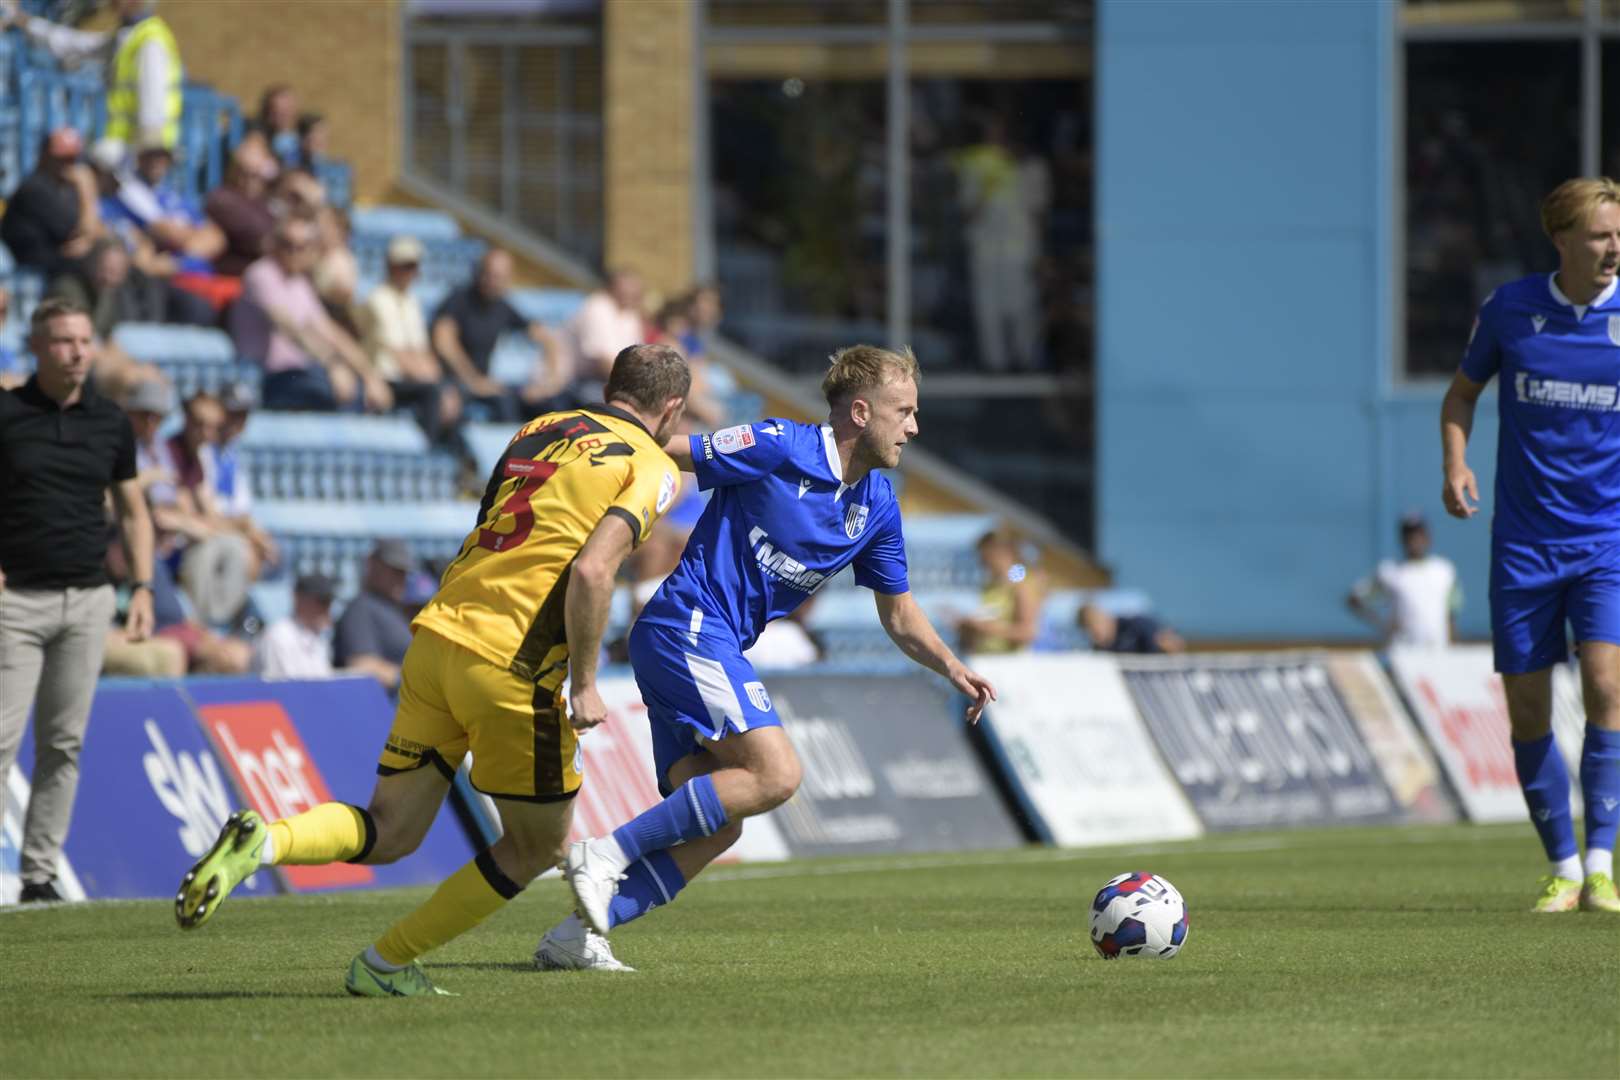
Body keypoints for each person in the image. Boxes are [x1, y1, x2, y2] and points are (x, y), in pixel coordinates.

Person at [173, 344, 690, 998]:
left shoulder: (539, 428)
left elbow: (488, 525)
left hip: (437, 638)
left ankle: (266, 840)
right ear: (670, 410)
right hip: (512, 664)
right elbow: (593, 569)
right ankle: (385, 963)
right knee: (535, 849)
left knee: (390, 831)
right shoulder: (651, 464)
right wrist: (584, 681)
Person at [542, 344, 996, 972]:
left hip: (708, 643)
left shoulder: (878, 506)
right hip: (687, 626)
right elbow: (670, 449)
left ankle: (576, 936)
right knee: (777, 774)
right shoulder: (780, 445)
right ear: (860, 413)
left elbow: (898, 613)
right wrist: (576, 440)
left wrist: (952, 666)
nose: (914, 427)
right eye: (905, 411)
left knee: (720, 823)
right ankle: (606, 854)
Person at [1440, 176, 1620, 915]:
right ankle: (1564, 867)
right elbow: (1461, 394)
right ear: (1563, 241)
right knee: (1527, 711)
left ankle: (1605, 864)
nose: (1615, 248)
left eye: (1619, 235)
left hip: (1605, 540)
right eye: (1601, 236)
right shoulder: (1512, 309)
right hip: (1522, 545)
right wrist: (1455, 462)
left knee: (1608, 688)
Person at [0, 298, 156, 903]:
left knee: (63, 745)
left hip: (88, 600)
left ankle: (39, 876)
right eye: (64, 341)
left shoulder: (110, 421)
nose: (78, 351)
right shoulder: (7, 414)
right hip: (17, 602)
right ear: (36, 347)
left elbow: (133, 511)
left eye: (85, 340)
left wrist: (140, 586)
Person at [230, 218, 391, 413]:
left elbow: (331, 333)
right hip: (266, 376)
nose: (293, 252)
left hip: (300, 373)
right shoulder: (261, 274)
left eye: (301, 246)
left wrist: (370, 376)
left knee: (362, 393)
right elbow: (286, 325)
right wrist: (333, 363)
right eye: (287, 244)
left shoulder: (300, 284)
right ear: (275, 243)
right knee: (334, 392)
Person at [3, 0, 181, 153]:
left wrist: (144, 152)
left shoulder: (149, 40)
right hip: (129, 148)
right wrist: (23, 21)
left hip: (142, 152)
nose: (112, 4)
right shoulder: (127, 37)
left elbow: (153, 105)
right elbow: (72, 44)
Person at [431, 248, 572, 421]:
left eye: (500, 277)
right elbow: (444, 343)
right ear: (479, 272)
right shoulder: (458, 300)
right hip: (451, 381)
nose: (494, 282)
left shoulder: (502, 306)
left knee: (549, 405)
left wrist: (550, 381)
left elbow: (547, 339)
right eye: (490, 275)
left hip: (484, 384)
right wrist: (473, 379)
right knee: (502, 404)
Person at [360, 236, 461, 443]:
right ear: (391, 266)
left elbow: (421, 350)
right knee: (433, 394)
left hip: (410, 378)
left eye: (413, 266)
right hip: (388, 378)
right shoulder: (378, 298)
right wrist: (436, 385)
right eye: (406, 266)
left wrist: (442, 385)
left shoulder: (411, 301)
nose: (411, 272)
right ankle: (430, 452)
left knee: (454, 392)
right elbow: (397, 354)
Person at [1346, 513, 1460, 648]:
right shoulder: (1391, 572)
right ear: (1402, 539)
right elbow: (1354, 599)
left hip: (1439, 651)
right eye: (1409, 535)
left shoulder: (1444, 571)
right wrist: (1383, 625)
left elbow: (1451, 613)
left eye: (1419, 534)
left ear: (1427, 537)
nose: (1414, 540)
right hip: (1403, 651)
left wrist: (1454, 647)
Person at [0, 128, 98, 278]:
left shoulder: (66, 188)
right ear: (44, 155)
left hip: (52, 272)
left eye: (72, 159)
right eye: (61, 158)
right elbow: (78, 231)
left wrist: (89, 240)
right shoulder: (35, 188)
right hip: (32, 275)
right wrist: (87, 190)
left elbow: (92, 232)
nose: (67, 165)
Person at [332, 540, 416, 692]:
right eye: (395, 570)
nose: (401, 578)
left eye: (404, 572)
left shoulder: (393, 608)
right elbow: (362, 665)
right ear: (373, 565)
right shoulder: (360, 610)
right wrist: (416, 682)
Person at [955, 525, 1043, 654]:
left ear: (1002, 552)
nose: (981, 562)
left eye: (985, 556)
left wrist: (988, 628)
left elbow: (1028, 633)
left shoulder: (1022, 583)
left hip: (1010, 664)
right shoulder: (989, 586)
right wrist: (968, 629)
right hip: (985, 661)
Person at [205, 137, 278, 278]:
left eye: (254, 174)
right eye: (243, 172)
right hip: (241, 277)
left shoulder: (266, 201)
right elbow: (259, 237)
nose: (248, 180)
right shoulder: (222, 199)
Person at [569, 268, 645, 386]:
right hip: (578, 379)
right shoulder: (597, 306)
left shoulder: (630, 316)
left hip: (608, 379)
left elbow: (635, 356)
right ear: (613, 286)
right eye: (629, 286)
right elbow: (601, 360)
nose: (633, 292)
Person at [253, 574, 336, 680]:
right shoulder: (278, 636)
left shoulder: (319, 639)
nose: (325, 608)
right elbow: (284, 690)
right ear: (298, 598)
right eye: (321, 601)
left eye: (328, 602)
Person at [1078, 602, 1183, 655]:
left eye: (1096, 622)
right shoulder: (1098, 648)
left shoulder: (1137, 625)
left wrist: (1166, 646)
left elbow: (1170, 643)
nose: (1096, 630)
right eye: (1090, 628)